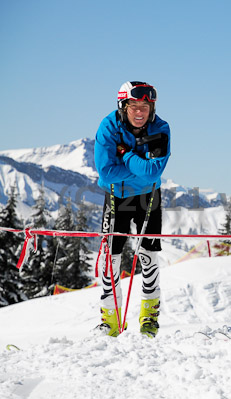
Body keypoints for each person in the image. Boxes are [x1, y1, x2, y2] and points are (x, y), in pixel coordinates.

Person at [94, 81, 170, 338]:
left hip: (149, 198)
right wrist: (141, 167)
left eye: (145, 107)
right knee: (110, 259)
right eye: (134, 106)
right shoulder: (108, 127)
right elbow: (106, 172)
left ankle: (149, 317)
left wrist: (125, 154)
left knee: (149, 256)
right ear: (123, 106)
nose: (140, 112)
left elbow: (153, 172)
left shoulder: (161, 128)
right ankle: (110, 321)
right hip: (116, 196)